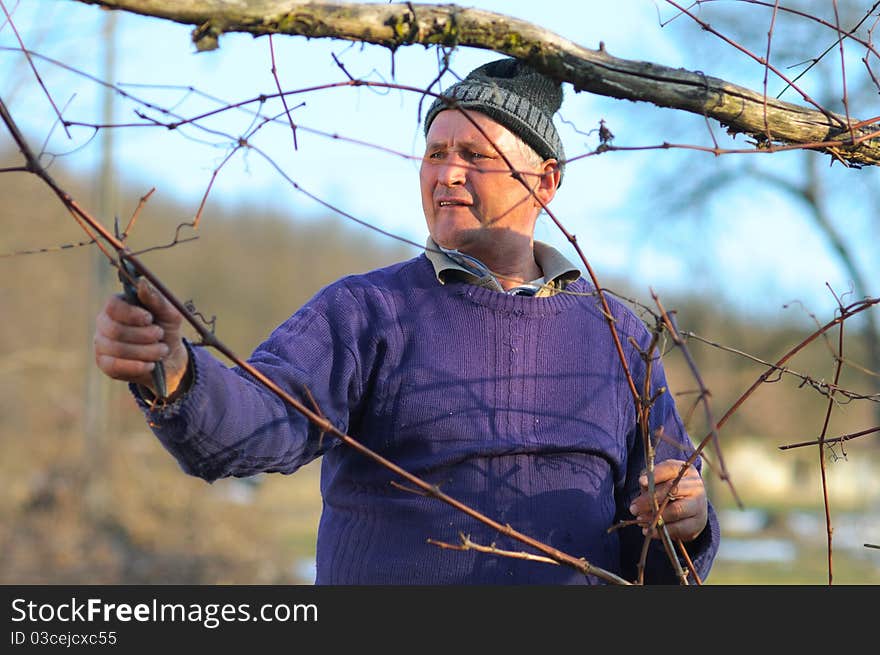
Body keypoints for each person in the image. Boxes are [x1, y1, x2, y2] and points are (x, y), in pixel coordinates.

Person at [94, 57, 720, 584]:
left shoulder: (617, 335)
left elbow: (659, 547)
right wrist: (174, 372)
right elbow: (259, 420)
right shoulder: (367, 313)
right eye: (435, 153)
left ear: (545, 181)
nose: (446, 173)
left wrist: (685, 526)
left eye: (474, 155)